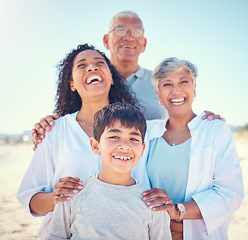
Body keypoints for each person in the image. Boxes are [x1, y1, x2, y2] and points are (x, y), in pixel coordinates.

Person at [31, 11, 224, 147]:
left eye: (137, 32)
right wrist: (49, 124)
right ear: (106, 40)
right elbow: (74, 122)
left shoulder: (160, 83)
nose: (129, 37)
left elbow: (181, 114)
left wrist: (206, 123)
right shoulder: (88, 83)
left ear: (144, 43)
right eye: (120, 30)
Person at [16, 44, 150, 240]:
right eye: (82, 65)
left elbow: (182, 126)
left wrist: (210, 119)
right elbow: (30, 198)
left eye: (99, 63)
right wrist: (55, 198)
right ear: (71, 84)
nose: (92, 68)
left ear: (112, 78)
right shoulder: (54, 131)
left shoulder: (141, 128)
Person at [140, 57, 244, 240]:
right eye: (167, 84)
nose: (176, 90)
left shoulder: (215, 130)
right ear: (158, 94)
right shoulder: (145, 133)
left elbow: (230, 193)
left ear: (194, 88)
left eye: (183, 82)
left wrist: (177, 212)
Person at [47, 102, 172, 239]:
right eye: (114, 137)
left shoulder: (154, 204)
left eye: (133, 138)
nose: (125, 146)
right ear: (95, 146)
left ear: (142, 149)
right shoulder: (72, 195)